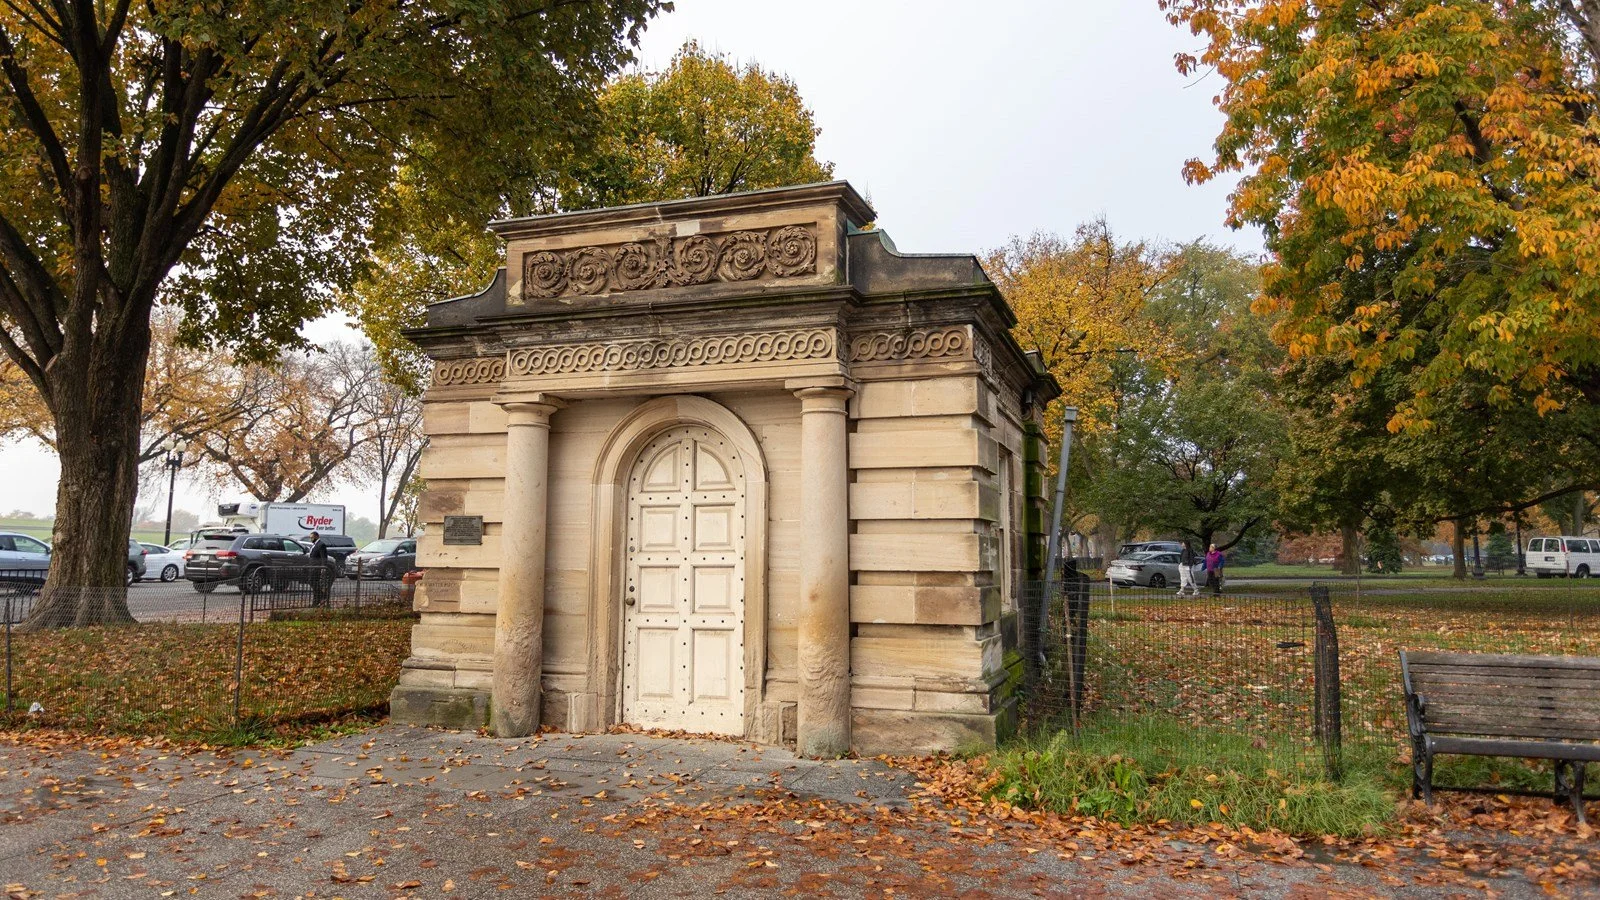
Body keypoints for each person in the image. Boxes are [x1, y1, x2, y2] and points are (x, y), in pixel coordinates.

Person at [306, 530, 331, 607]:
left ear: (317, 536)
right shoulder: (314, 545)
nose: (311, 539)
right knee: (312, 583)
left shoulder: (321, 545)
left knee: (313, 582)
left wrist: (323, 567)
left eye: (312, 537)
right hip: (312, 567)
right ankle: (319, 598)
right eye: (310, 537)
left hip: (317, 568)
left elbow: (324, 557)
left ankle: (322, 596)